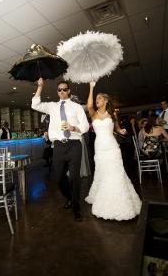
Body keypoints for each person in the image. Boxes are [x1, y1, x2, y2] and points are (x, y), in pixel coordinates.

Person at [31, 78, 89, 221]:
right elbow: (35, 104)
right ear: (57, 92)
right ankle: (69, 198)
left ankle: (76, 207)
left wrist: (73, 128)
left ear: (68, 91)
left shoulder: (77, 107)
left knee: (75, 177)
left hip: (74, 144)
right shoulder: (52, 106)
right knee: (58, 178)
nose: (62, 91)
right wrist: (40, 87)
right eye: (59, 89)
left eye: (65, 89)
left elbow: (86, 126)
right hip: (58, 146)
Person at [85, 81, 141, 220]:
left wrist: (120, 129)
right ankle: (102, 197)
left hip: (112, 147)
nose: (97, 100)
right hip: (100, 148)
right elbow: (89, 105)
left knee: (116, 173)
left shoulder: (112, 115)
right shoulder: (93, 114)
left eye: (99, 98)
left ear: (105, 101)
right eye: (96, 98)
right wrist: (91, 88)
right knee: (102, 172)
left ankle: (121, 203)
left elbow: (116, 128)